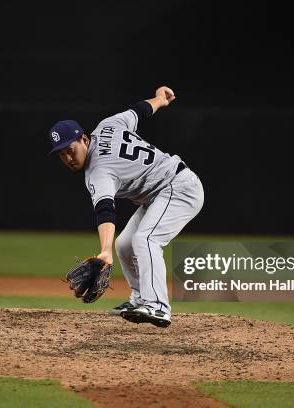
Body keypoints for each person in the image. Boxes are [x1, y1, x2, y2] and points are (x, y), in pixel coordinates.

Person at [48, 86, 204, 327]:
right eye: (62, 155)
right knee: (125, 245)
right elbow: (139, 111)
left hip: (179, 187)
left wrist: (104, 251)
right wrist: (160, 100)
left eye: (71, 150)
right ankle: (140, 298)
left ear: (84, 139)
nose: (68, 158)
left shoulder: (97, 171)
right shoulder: (108, 124)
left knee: (146, 239)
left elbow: (105, 210)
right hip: (160, 191)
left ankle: (158, 306)